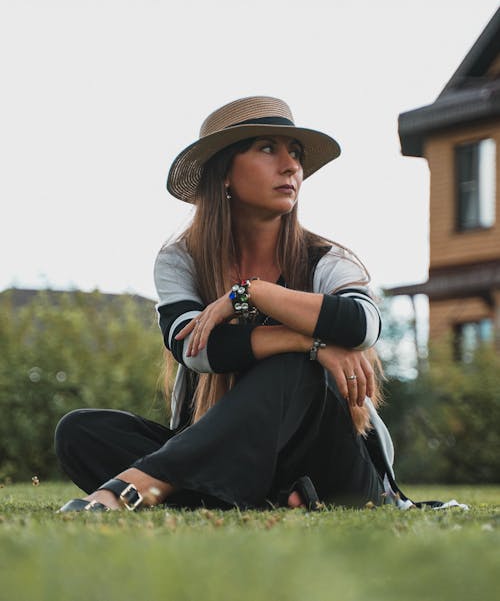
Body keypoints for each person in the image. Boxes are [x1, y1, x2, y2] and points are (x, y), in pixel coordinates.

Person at [55, 95, 386, 513]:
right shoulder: (181, 260)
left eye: (295, 153)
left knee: (294, 369)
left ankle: (134, 486)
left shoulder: (326, 258)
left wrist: (253, 293)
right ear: (224, 173)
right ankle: (254, 499)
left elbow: (363, 326)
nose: (291, 166)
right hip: (235, 460)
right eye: (268, 148)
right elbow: (198, 350)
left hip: (331, 467)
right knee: (80, 430)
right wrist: (309, 342)